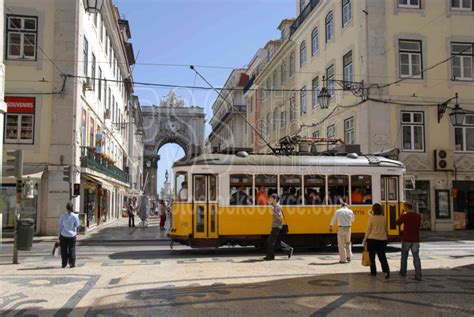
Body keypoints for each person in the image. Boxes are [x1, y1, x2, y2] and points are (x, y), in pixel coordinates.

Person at [363, 203, 390, 279]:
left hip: (372, 240)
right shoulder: (384, 218)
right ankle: (386, 271)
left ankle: (373, 272)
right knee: (382, 256)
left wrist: (365, 239)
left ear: (373, 210)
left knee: (372, 257)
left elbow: (368, 230)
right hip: (383, 240)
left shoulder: (371, 218)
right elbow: (385, 229)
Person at [396, 203, 422, 281]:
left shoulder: (405, 216)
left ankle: (403, 272)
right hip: (415, 239)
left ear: (406, 208)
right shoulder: (418, 216)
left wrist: (401, 214)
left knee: (404, 257)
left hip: (406, 238)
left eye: (404, 207)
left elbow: (398, 223)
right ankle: (418, 275)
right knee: (416, 257)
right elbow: (418, 225)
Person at [264, 194, 293, 261]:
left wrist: (273, 212)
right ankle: (289, 249)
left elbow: (280, 218)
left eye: (271, 198)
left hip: (277, 226)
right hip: (275, 226)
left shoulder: (277, 207)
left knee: (270, 241)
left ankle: (270, 257)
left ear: (275, 199)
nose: (269, 199)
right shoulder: (274, 206)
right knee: (275, 241)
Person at [58, 202, 80, 268]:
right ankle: (72, 264)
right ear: (72, 207)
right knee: (72, 249)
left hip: (63, 234)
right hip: (72, 235)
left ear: (66, 208)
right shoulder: (75, 216)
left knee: (63, 250)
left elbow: (60, 226)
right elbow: (77, 225)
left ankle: (64, 263)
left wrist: (59, 234)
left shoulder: (63, 216)